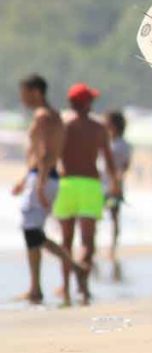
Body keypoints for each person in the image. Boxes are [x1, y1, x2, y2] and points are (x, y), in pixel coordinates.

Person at [12, 75, 86, 306]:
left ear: (35, 92)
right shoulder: (56, 116)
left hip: (43, 178)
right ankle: (37, 287)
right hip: (46, 176)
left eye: (24, 92)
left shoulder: (42, 116)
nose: (22, 98)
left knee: (32, 233)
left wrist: (40, 184)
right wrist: (27, 179)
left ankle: (71, 270)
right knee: (33, 233)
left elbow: (43, 152)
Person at [53, 83, 120, 303]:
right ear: (86, 103)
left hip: (66, 184)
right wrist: (116, 185)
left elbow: (52, 157)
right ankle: (83, 285)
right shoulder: (99, 128)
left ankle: (65, 287)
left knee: (66, 241)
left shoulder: (63, 126)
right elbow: (109, 161)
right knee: (88, 242)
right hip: (90, 185)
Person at [103, 111, 132, 280]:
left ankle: (112, 248)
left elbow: (125, 165)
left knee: (114, 216)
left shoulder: (122, 144)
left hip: (115, 184)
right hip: (101, 183)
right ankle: (95, 245)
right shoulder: (107, 141)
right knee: (97, 215)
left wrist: (117, 182)